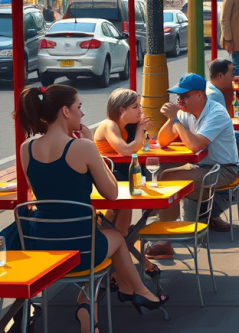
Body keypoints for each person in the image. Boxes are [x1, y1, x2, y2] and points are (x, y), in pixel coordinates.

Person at [17, 85, 167, 332]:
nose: (82, 114)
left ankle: (98, 304)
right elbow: (112, 192)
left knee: (107, 236)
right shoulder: (83, 147)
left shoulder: (26, 149)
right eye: (79, 107)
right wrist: (92, 148)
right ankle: (134, 292)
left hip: (41, 245)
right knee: (118, 237)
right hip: (80, 248)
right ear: (65, 111)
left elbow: (40, 193)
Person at [149, 74, 239, 260]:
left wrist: (175, 119)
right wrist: (171, 118)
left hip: (224, 169)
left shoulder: (216, 113)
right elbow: (163, 140)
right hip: (202, 166)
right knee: (164, 174)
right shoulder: (184, 112)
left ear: (200, 95)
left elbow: (195, 145)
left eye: (184, 96)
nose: (179, 100)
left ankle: (165, 237)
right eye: (178, 96)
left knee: (166, 177)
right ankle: (169, 228)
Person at [91, 89, 161, 280]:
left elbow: (144, 146)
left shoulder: (129, 127)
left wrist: (140, 131)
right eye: (135, 107)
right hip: (110, 182)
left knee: (121, 227)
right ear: (121, 109)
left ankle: (116, 273)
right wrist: (139, 132)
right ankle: (121, 275)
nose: (140, 110)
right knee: (121, 231)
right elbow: (126, 151)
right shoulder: (109, 125)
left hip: (125, 179)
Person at [206, 59, 239, 162]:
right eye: (231, 75)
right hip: (215, 138)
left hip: (215, 135)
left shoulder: (214, 89)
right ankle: (232, 171)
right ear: (220, 76)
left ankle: (233, 168)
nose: (233, 78)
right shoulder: (213, 95)